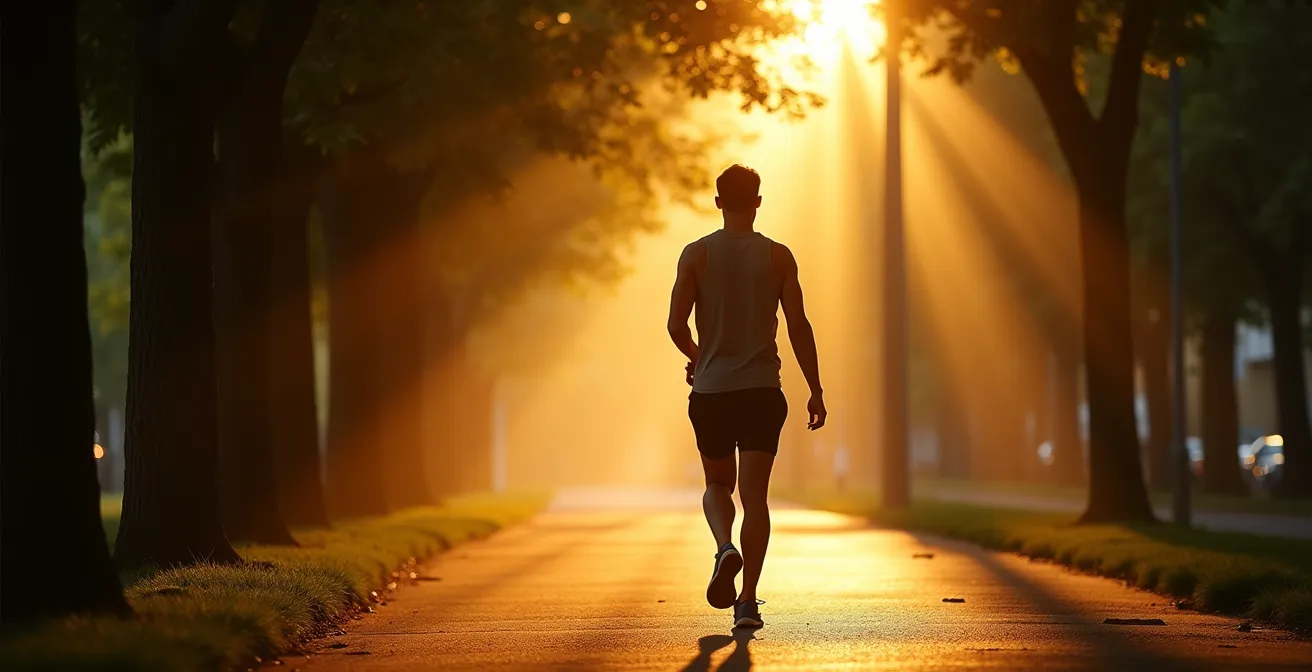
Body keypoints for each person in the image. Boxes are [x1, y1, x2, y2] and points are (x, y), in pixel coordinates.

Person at [666, 164, 826, 629]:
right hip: (762, 391)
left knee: (717, 485)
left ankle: (724, 547)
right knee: (755, 497)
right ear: (758, 201)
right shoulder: (779, 258)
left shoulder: (696, 255)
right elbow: (798, 325)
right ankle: (748, 603)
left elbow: (676, 326)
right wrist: (815, 388)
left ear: (718, 202)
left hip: (712, 392)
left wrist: (699, 356)